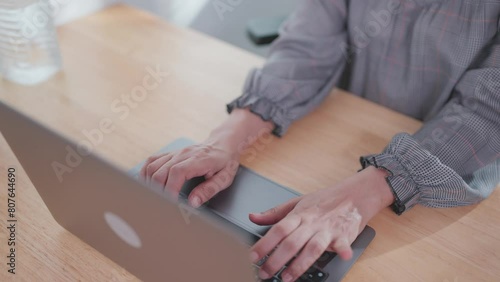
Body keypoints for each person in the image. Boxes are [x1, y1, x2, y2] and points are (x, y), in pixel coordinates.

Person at [140, 1, 500, 281]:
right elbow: (306, 48)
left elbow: (488, 110)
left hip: (451, 175)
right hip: (346, 125)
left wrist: (369, 191)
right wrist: (229, 135)